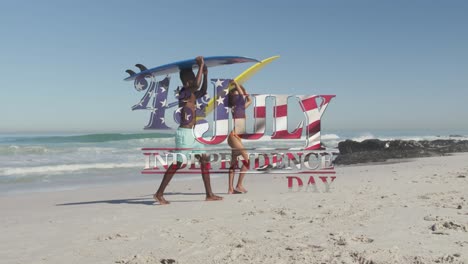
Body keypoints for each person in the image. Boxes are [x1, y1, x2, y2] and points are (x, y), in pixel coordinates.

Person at [154, 56, 223, 204]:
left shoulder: (192, 93)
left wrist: (205, 73)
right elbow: (197, 86)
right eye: (192, 78)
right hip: (184, 134)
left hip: (193, 133)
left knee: (204, 160)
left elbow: (203, 90)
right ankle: (159, 193)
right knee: (179, 163)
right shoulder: (184, 92)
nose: (193, 81)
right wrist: (201, 65)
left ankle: (209, 194)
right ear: (186, 82)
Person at [227, 80, 252, 194]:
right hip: (233, 137)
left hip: (236, 138)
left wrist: (245, 91)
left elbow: (249, 100)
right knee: (247, 161)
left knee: (233, 163)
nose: (238, 97)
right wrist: (236, 84)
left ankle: (230, 189)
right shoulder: (235, 107)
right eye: (235, 96)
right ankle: (239, 185)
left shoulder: (240, 107)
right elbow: (242, 97)